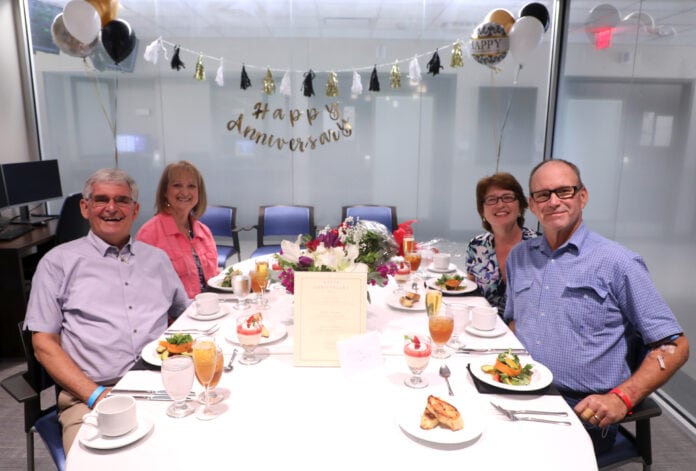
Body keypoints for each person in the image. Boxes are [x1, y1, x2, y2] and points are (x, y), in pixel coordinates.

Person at [504, 159, 689, 454]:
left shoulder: (618, 263)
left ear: (583, 196)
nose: (553, 201)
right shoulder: (519, 257)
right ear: (533, 205)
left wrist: (621, 398)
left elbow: (674, 345)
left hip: (581, 408)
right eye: (543, 195)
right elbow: (515, 321)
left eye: (564, 191)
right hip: (520, 389)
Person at [24, 168, 190, 453]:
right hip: (90, 394)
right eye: (101, 199)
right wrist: (96, 394)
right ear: (85, 208)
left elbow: (186, 315)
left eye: (122, 200)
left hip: (162, 385)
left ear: (135, 209)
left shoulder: (157, 260)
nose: (111, 208)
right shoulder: (57, 264)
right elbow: (43, 345)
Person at [136, 160, 219, 298]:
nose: (185, 192)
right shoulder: (149, 234)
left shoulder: (204, 232)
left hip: (210, 311)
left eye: (191, 186)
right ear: (165, 191)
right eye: (177, 185)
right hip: (174, 317)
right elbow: (142, 289)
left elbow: (214, 277)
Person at [465, 172, 537, 316]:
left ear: (520, 206)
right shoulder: (477, 246)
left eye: (508, 197)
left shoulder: (539, 246)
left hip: (526, 333)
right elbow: (470, 292)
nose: (500, 204)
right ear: (483, 211)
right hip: (484, 328)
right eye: (491, 200)